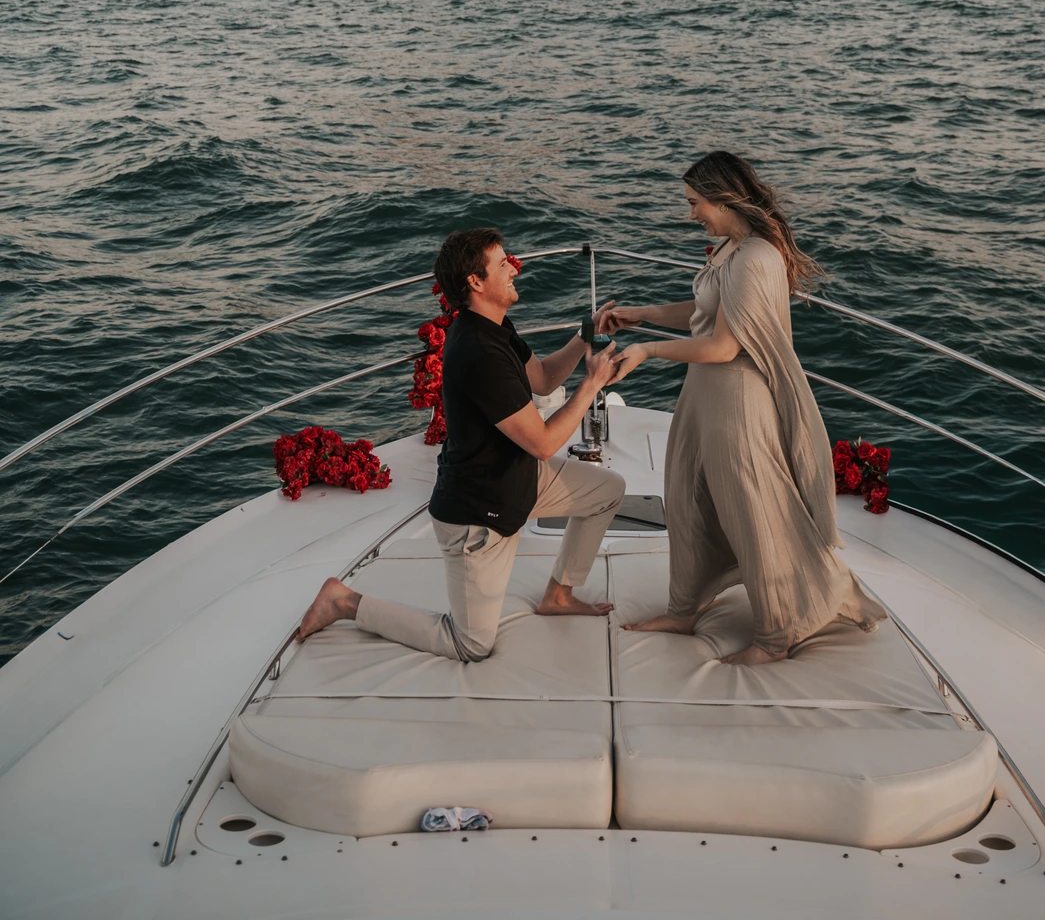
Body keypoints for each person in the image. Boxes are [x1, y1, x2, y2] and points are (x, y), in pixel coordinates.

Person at [599, 151, 886, 666]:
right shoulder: (730, 248)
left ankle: (777, 635)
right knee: (687, 500)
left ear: (724, 199)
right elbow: (706, 312)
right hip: (703, 397)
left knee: (752, 514)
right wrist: (641, 314)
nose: (691, 214)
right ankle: (684, 610)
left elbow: (723, 346)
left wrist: (646, 350)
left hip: (737, 403)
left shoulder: (755, 256)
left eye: (695, 203)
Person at [298, 228, 624, 660]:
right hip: (478, 514)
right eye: (502, 263)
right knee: (469, 644)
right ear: (475, 281)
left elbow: (544, 378)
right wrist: (593, 384)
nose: (514, 268)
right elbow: (544, 443)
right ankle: (344, 602)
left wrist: (585, 335)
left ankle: (558, 595)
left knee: (606, 490)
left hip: (518, 480)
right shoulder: (479, 353)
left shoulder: (494, 327)